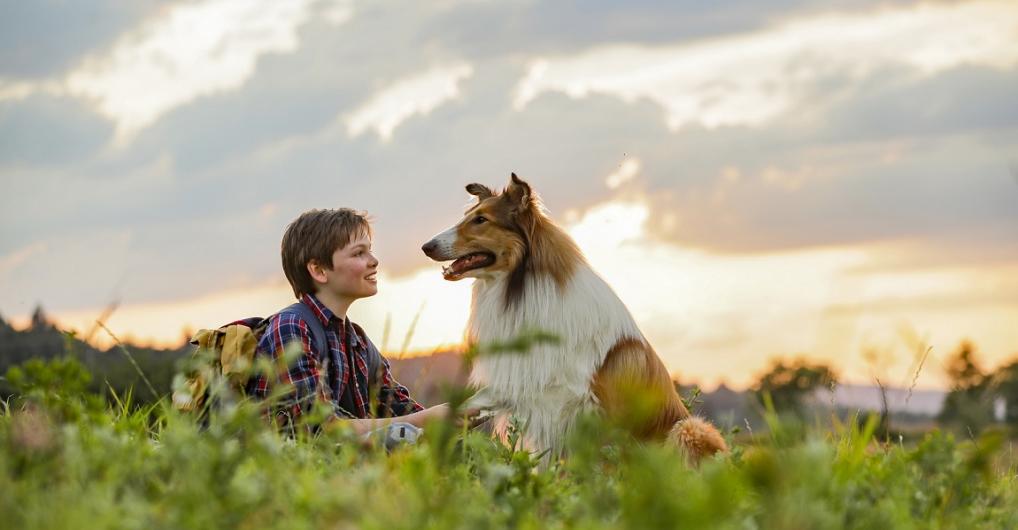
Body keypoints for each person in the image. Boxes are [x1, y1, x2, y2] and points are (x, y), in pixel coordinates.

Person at [246, 208, 454, 436]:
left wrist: (458, 415)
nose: (374, 261)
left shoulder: (358, 342)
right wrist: (425, 418)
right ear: (318, 270)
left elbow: (399, 409)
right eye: (358, 254)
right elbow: (322, 429)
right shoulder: (291, 329)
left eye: (370, 251)